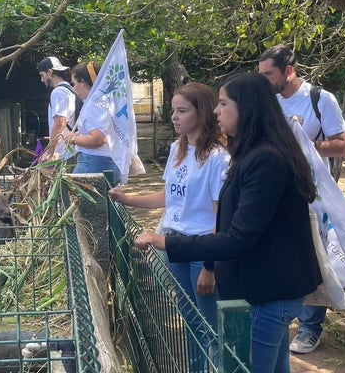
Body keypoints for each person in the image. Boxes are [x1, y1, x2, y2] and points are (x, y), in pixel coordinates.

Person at [134, 72, 322, 373]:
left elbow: (239, 237)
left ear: (246, 108)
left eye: (223, 103)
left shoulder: (266, 160)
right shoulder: (250, 154)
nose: (216, 111)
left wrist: (164, 241)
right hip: (262, 289)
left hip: (269, 292)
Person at [109, 82, 229, 373]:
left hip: (201, 249)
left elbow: (220, 216)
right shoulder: (178, 148)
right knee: (189, 319)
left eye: (182, 111)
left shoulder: (218, 159)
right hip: (174, 244)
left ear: (202, 113)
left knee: (208, 324)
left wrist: (210, 266)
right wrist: (128, 200)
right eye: (173, 110)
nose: (174, 116)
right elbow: (170, 197)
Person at [258, 44, 345, 354]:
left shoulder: (320, 99)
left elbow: (341, 145)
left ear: (289, 71)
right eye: (262, 74)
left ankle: (310, 327)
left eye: (269, 74)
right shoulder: (266, 101)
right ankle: (282, 316)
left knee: (313, 256)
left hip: (311, 194)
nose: (264, 80)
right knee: (281, 252)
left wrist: (304, 143)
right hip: (273, 191)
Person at [60, 60, 121, 186]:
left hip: (94, 162)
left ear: (82, 82)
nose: (73, 87)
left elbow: (98, 139)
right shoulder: (106, 100)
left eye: (74, 83)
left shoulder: (93, 105)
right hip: (110, 160)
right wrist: (79, 134)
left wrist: (71, 139)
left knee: (75, 199)